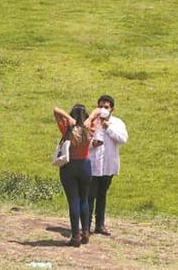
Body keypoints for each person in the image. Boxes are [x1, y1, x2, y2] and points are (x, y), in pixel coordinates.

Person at [54, 103, 99, 247]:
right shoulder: (90, 128)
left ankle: (75, 236)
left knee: (73, 200)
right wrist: (90, 117)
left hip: (69, 167)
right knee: (84, 199)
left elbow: (56, 109)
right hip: (85, 166)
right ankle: (85, 232)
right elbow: (99, 111)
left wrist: (68, 118)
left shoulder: (67, 129)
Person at [87, 94, 128, 236]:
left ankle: (100, 225)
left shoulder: (117, 123)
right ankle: (86, 225)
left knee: (102, 195)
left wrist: (108, 127)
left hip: (108, 165)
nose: (103, 109)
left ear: (112, 109)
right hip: (93, 165)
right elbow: (84, 142)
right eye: (100, 107)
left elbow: (123, 139)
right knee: (90, 195)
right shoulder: (92, 122)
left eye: (106, 107)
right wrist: (93, 144)